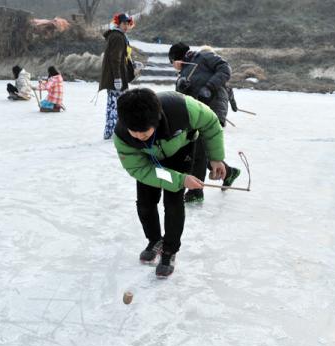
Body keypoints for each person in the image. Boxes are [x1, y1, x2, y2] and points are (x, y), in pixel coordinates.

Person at [113, 88, 227, 277]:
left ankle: (169, 250)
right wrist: (180, 179)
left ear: (156, 119)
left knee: (173, 202)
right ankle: (154, 240)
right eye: (134, 132)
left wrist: (216, 158)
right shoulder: (123, 136)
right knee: (145, 204)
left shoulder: (183, 109)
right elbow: (140, 169)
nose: (139, 136)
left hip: (181, 152)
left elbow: (211, 123)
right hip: (148, 162)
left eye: (144, 132)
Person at [168, 42, 240, 203]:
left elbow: (225, 69)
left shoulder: (203, 56)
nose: (173, 66)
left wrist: (209, 87)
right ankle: (228, 172)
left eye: (172, 62)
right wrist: (182, 88)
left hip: (214, 109)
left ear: (177, 58)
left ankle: (196, 191)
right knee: (196, 149)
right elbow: (182, 99)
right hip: (197, 114)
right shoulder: (183, 74)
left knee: (198, 150)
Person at [99, 13, 136, 140]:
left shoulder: (118, 36)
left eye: (128, 23)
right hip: (116, 78)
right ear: (118, 23)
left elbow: (123, 57)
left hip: (117, 76)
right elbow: (115, 59)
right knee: (118, 106)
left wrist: (132, 65)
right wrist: (117, 78)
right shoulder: (117, 37)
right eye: (124, 23)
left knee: (114, 105)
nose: (126, 26)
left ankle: (110, 132)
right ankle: (114, 133)